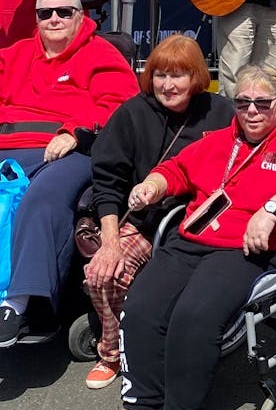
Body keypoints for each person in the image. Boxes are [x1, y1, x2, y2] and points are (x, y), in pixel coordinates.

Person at [92, 64, 276, 410]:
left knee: (195, 315)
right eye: (243, 102)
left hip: (246, 248)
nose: (253, 111)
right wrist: (153, 184)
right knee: (142, 306)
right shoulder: (221, 139)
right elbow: (180, 170)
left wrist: (273, 208)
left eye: (263, 103)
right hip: (191, 240)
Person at [82, 35, 234, 390]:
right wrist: (110, 243)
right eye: (160, 75)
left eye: (178, 75)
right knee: (102, 273)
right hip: (148, 221)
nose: (168, 85)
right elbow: (107, 180)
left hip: (203, 222)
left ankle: (170, 344)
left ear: (196, 76)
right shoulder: (133, 113)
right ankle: (113, 351)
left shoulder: (222, 111)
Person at [0, 0, 139, 348]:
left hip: (69, 148)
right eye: (46, 13)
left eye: (64, 12)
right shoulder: (13, 55)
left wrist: (75, 131)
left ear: (81, 16)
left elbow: (121, 103)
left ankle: (20, 303)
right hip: (9, 144)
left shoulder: (101, 54)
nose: (55, 19)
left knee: (43, 198)